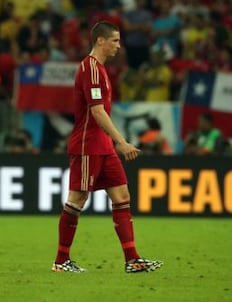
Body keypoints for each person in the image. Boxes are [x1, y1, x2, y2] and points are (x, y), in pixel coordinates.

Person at [52, 21, 163, 273]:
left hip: (102, 145)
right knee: (77, 199)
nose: (119, 45)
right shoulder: (90, 68)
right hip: (87, 144)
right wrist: (121, 142)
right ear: (100, 41)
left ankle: (132, 260)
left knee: (122, 196)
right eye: (114, 40)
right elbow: (97, 111)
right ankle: (61, 261)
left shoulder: (100, 69)